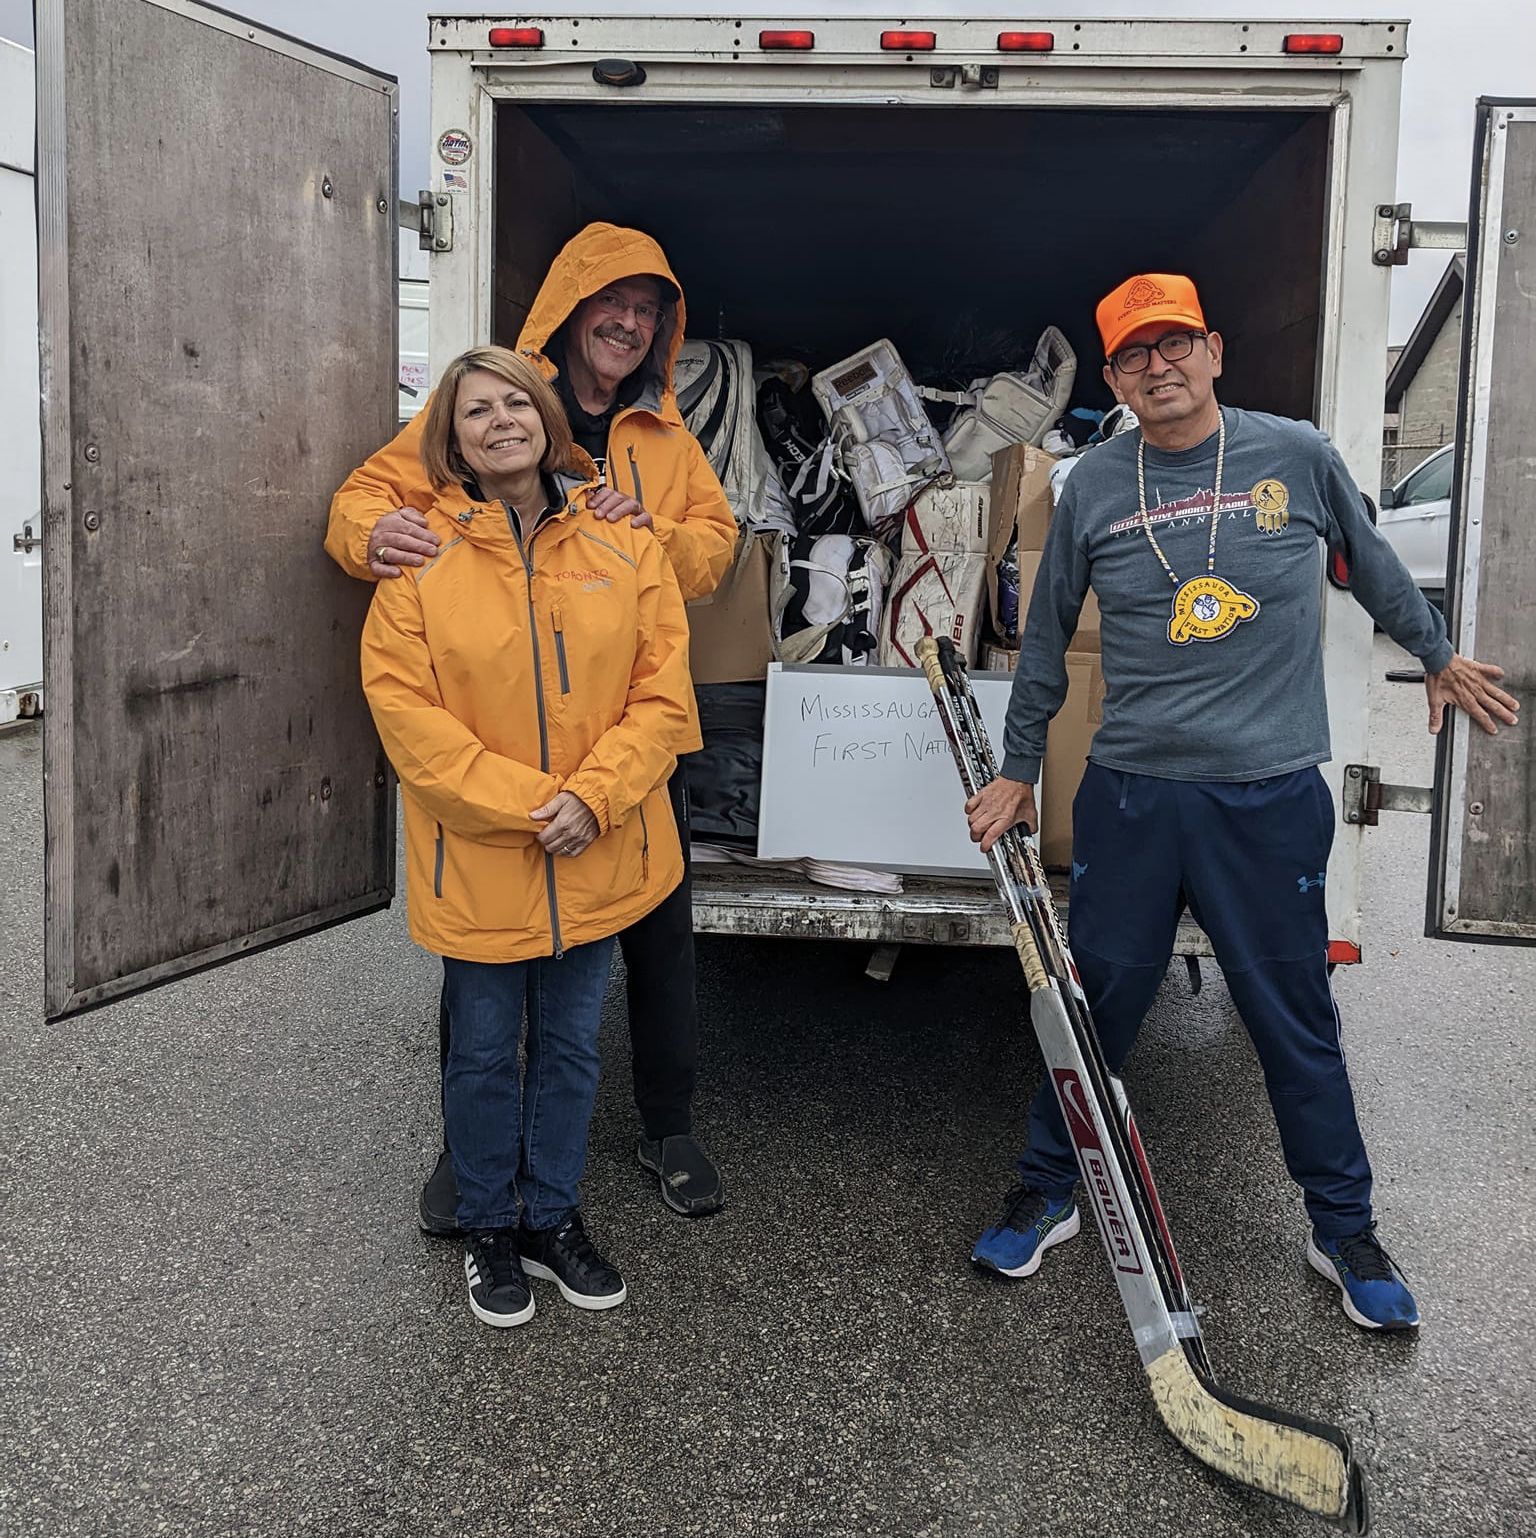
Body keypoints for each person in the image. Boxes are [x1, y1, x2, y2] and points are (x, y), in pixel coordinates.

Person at [966, 273, 1520, 1332]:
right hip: (1134, 794)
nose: (1158, 367)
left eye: (1175, 344)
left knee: (1293, 1017)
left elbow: (1369, 566)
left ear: (1214, 350)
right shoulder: (1094, 485)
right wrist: (1019, 765)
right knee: (1095, 1010)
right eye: (1134, 355)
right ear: (1116, 379)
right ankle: (1048, 1188)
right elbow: (1045, 640)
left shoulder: (1295, 456)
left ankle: (1343, 1225)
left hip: (1268, 797)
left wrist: (1440, 655)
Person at [329, 224, 736, 1224]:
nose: (629, 323)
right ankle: (466, 1152)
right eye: (615, 302)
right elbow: (363, 498)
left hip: (628, 737)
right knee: (486, 949)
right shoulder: (492, 402)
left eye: (650, 312)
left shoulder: (667, 438)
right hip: (503, 741)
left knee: (656, 933)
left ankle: (667, 1121)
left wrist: (662, 539)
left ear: (662, 333)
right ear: (572, 303)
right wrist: (368, 535)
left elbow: (716, 549)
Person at [359, 344, 696, 1327]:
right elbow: (407, 717)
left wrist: (594, 796)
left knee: (570, 1050)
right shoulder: (420, 560)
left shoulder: (625, 545)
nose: (501, 419)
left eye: (517, 401)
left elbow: (662, 696)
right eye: (476, 412)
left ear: (548, 419)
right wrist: (533, 803)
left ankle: (550, 1216)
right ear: (451, 442)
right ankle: (487, 1230)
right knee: (480, 1052)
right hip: (485, 861)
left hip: (596, 847)